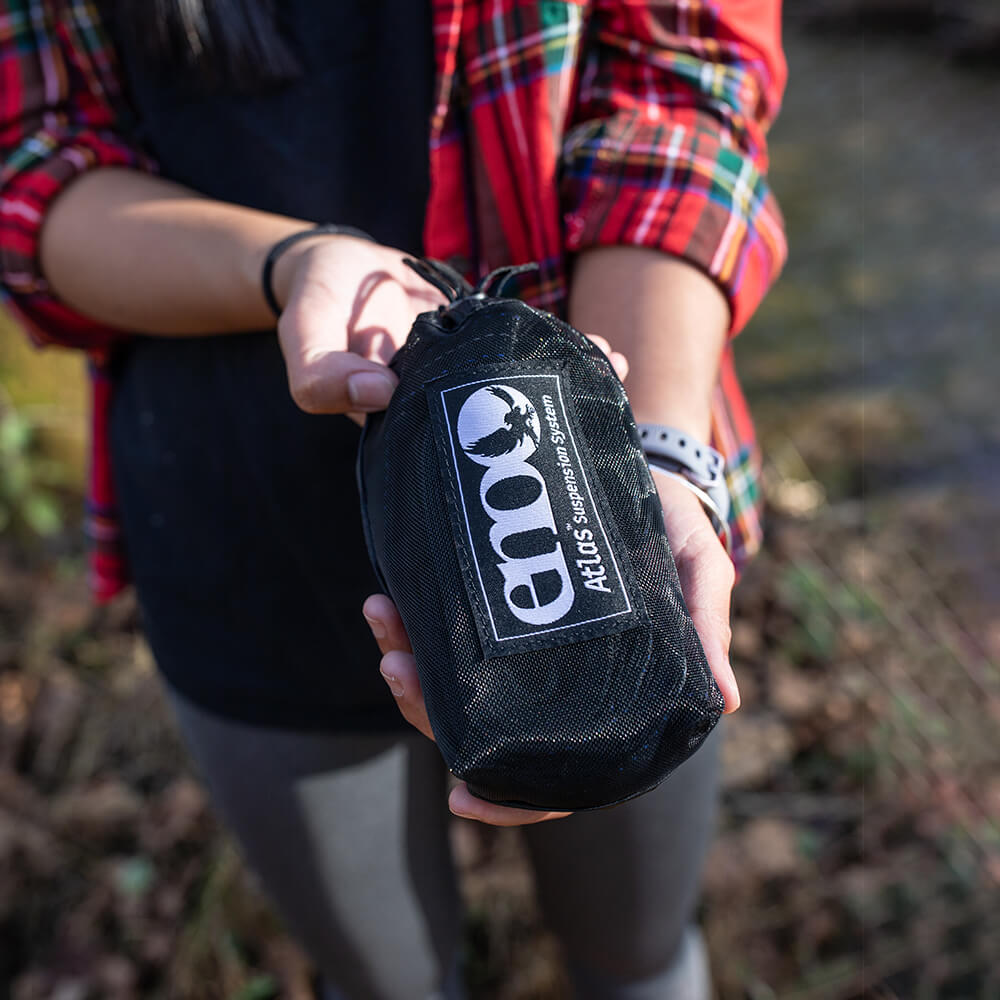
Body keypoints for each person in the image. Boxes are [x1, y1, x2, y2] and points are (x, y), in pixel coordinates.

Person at [0, 1, 787, 997]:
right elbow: (27, 164)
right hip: (247, 529)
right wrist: (290, 265)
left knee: (638, 960)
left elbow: (685, 87)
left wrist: (658, 460)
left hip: (590, 505)